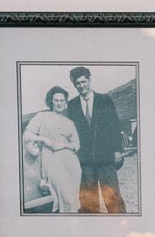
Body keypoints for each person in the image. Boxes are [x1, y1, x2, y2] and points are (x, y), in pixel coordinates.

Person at [65, 66, 128, 213]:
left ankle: (122, 229)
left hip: (105, 158)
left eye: (83, 81)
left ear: (89, 80)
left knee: (113, 198)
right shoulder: (72, 105)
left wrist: (117, 150)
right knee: (88, 201)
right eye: (77, 83)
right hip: (85, 161)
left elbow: (114, 125)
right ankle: (91, 232)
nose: (81, 86)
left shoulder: (104, 100)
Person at [23, 86, 83, 213]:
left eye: (62, 100)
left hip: (72, 163)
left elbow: (76, 144)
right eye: (56, 100)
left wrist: (63, 145)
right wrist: (44, 139)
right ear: (51, 102)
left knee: (72, 198)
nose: (59, 103)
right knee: (67, 198)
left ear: (65, 102)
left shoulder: (69, 122)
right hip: (52, 162)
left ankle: (70, 227)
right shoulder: (41, 117)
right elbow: (27, 135)